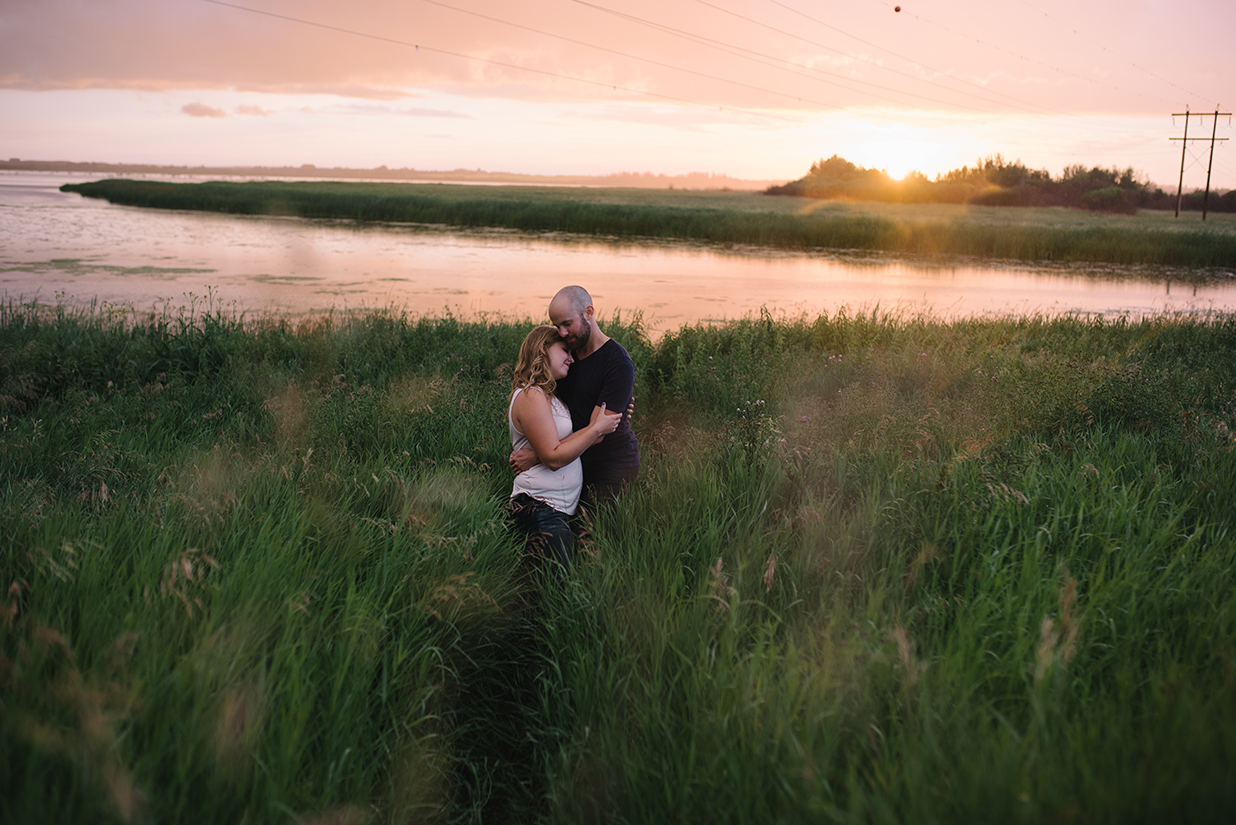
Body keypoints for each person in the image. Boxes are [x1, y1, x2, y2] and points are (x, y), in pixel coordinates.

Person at [507, 325, 622, 575]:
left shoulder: (551, 397)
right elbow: (553, 457)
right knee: (556, 592)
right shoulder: (530, 396)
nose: (571, 357)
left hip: (555, 510)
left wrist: (613, 412)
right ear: (543, 349)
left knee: (557, 589)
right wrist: (596, 428)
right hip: (539, 507)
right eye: (565, 351)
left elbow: (559, 444)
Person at [510, 286, 640, 508]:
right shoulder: (565, 355)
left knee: (590, 534)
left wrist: (539, 456)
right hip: (569, 462)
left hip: (608, 463)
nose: (561, 332)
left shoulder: (617, 363)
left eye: (567, 324)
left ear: (588, 312)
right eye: (556, 326)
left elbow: (597, 431)